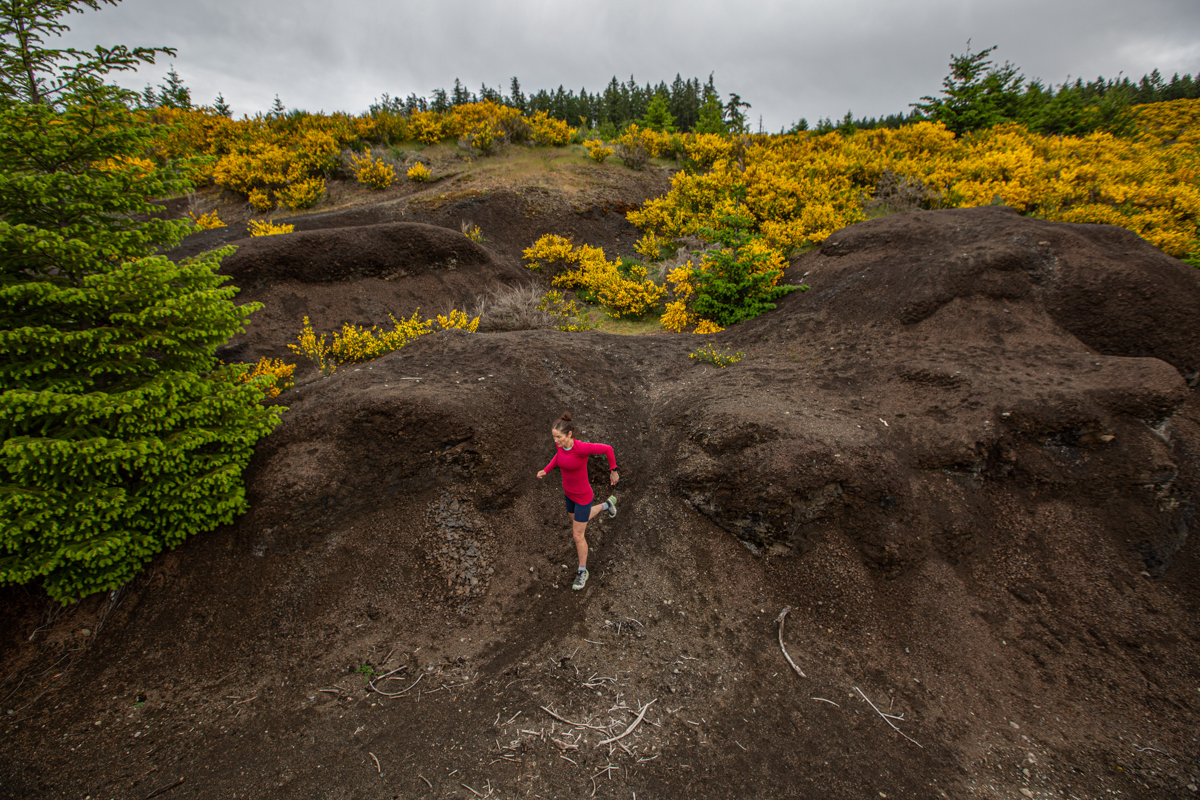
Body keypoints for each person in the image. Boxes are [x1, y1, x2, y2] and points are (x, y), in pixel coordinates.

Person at [536, 412, 618, 591]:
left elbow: (608, 449)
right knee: (580, 520)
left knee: (577, 535)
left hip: (582, 497)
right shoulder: (560, 446)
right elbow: (558, 457)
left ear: (569, 435)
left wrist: (613, 470)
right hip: (569, 495)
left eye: (558, 437)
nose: (555, 440)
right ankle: (607, 505)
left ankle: (583, 571)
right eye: (554, 437)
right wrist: (546, 470)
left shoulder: (581, 448)